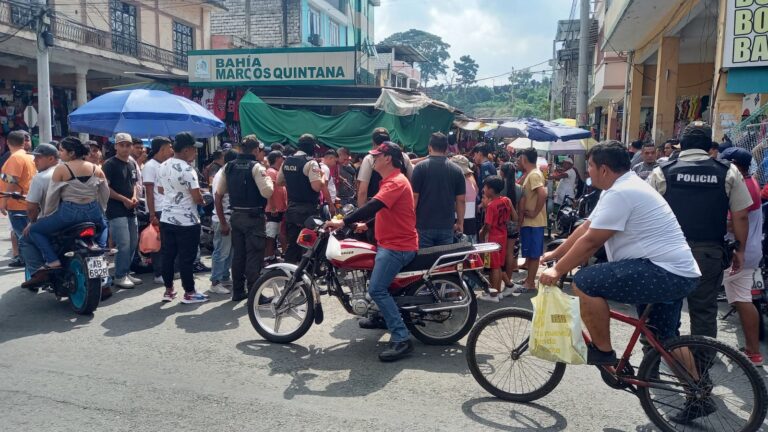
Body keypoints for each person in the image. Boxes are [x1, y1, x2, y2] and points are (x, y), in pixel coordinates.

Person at [540, 141, 700, 366]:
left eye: (590, 167)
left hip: (663, 271)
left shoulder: (621, 192)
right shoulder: (620, 187)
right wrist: (555, 254)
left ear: (603, 169)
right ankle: (698, 393)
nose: (588, 172)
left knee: (585, 282)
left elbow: (592, 241)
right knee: (665, 339)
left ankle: (603, 351)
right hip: (677, 272)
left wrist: (558, 270)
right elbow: (587, 227)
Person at [647, 122, 752, 340]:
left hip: (668, 252)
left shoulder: (661, 172)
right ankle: (702, 367)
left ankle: (664, 355)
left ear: (681, 144)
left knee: (666, 305)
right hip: (709, 252)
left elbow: (646, 214)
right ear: (709, 145)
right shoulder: (728, 172)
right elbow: (741, 215)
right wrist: (740, 250)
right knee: (704, 310)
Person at [324, 142, 418, 362]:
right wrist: (365, 224)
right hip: (391, 242)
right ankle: (381, 316)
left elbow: (373, 205)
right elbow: (385, 209)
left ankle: (401, 338)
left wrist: (343, 222)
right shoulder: (391, 181)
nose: (373, 159)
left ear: (388, 158)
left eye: (377, 155)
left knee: (377, 289)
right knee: (373, 280)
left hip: (397, 247)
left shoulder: (395, 181)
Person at [26, 138, 110, 292]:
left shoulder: (62, 169)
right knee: (104, 225)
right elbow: (105, 192)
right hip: (93, 211)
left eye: (62, 150)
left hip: (69, 213)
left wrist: (46, 215)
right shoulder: (95, 168)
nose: (59, 153)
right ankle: (101, 249)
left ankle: (53, 261)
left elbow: (52, 197)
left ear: (71, 153)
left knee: (35, 230)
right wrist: (101, 209)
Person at [216, 135, 274, 302]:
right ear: (256, 150)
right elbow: (267, 192)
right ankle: (255, 294)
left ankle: (238, 290)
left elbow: (219, 194)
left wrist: (223, 221)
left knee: (239, 255)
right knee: (254, 255)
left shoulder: (229, 166)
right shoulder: (257, 167)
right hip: (253, 217)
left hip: (236, 216)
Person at [719, 147, 763, 365]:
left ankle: (752, 351)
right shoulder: (750, 182)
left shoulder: (742, 185)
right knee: (746, 299)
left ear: (735, 164)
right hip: (751, 249)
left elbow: (733, 221)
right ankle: (752, 350)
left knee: (742, 300)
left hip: (740, 250)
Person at [157, 132, 207, 303]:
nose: (196, 152)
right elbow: (197, 197)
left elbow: (161, 190)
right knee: (187, 258)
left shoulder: (163, 165)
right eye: (194, 149)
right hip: (187, 220)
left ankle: (169, 290)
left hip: (167, 217)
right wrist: (204, 199)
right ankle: (190, 292)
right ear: (186, 150)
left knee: (168, 256)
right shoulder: (188, 169)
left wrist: (175, 193)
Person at [412, 132, 466, 248]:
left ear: (429, 147)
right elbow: (461, 200)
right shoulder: (457, 170)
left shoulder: (420, 168)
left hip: (423, 225)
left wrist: (410, 221)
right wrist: (460, 222)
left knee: (425, 262)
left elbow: (414, 197)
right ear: (446, 149)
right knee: (444, 263)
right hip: (446, 226)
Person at [103, 133, 142, 289]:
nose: (125, 148)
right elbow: (106, 188)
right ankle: (119, 275)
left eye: (127, 145)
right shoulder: (110, 164)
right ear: (116, 146)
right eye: (122, 145)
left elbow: (133, 184)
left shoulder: (132, 164)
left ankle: (125, 272)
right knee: (123, 243)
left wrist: (133, 197)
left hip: (131, 209)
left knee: (133, 242)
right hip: (116, 209)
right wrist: (124, 200)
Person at [278, 134, 324, 264]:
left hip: (292, 209)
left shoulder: (287, 161)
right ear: (311, 147)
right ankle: (306, 275)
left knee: (293, 244)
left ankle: (288, 275)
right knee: (308, 245)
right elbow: (316, 187)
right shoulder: (310, 162)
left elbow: (279, 182)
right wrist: (323, 177)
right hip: (307, 211)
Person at [18, 143, 58, 289]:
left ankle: (38, 273)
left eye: (38, 158)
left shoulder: (40, 177)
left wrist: (31, 222)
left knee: (25, 239)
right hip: (79, 218)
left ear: (51, 158)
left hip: (50, 222)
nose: (35, 162)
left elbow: (31, 208)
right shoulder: (68, 171)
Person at [0, 131, 36, 276]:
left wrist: (3, 202)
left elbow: (12, 182)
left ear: (8, 143)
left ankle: (33, 267)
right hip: (27, 202)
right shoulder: (29, 157)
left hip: (18, 204)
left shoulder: (15, 158)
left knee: (25, 239)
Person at [513, 147, 547, 294]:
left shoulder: (534, 174)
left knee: (534, 255)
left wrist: (534, 212)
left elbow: (542, 193)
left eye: (520, 158)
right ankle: (528, 280)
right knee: (530, 253)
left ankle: (530, 283)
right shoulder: (531, 174)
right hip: (531, 222)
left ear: (524, 159)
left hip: (534, 222)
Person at [141, 136, 174, 284]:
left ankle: (167, 270)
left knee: (167, 243)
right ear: (161, 149)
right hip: (158, 209)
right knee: (158, 243)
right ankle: (158, 273)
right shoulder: (150, 166)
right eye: (169, 147)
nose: (172, 150)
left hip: (167, 207)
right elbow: (149, 191)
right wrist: (152, 214)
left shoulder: (165, 165)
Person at [478, 175, 515, 302]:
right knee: (498, 266)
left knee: (494, 266)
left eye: (485, 187)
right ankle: (498, 291)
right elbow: (511, 216)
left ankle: (494, 294)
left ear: (491, 190)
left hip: (492, 238)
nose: (484, 189)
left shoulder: (491, 206)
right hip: (503, 235)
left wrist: (482, 234)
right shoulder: (505, 200)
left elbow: (487, 225)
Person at [356, 128, 413, 209]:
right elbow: (412, 183)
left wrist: (361, 215)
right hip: (398, 207)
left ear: (373, 143)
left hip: (375, 209)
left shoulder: (369, 158)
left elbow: (362, 191)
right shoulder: (404, 157)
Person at [209, 149, 237, 295]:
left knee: (229, 251)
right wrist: (224, 223)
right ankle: (215, 281)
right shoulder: (223, 175)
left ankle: (224, 277)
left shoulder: (225, 172)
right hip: (223, 218)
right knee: (221, 251)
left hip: (227, 217)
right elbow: (218, 200)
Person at [265, 150, 287, 262]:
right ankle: (268, 256)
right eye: (281, 158)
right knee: (271, 235)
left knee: (279, 233)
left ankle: (274, 255)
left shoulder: (278, 171)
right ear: (277, 158)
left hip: (281, 208)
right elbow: (270, 191)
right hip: (273, 210)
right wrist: (273, 206)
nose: (283, 160)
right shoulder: (270, 171)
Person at [451, 155, 478, 241]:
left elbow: (459, 203)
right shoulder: (471, 181)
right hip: (471, 223)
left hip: (459, 223)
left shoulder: (458, 183)